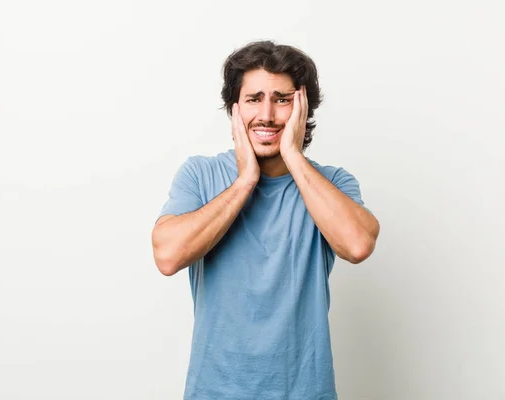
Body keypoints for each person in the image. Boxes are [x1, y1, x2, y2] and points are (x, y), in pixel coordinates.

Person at [151, 40, 380, 400]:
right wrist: (246, 181)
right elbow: (167, 256)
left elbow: (357, 244)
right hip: (215, 392)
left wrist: (292, 153)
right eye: (254, 99)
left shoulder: (333, 184)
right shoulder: (200, 174)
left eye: (283, 99)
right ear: (235, 109)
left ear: (303, 108)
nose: (268, 115)